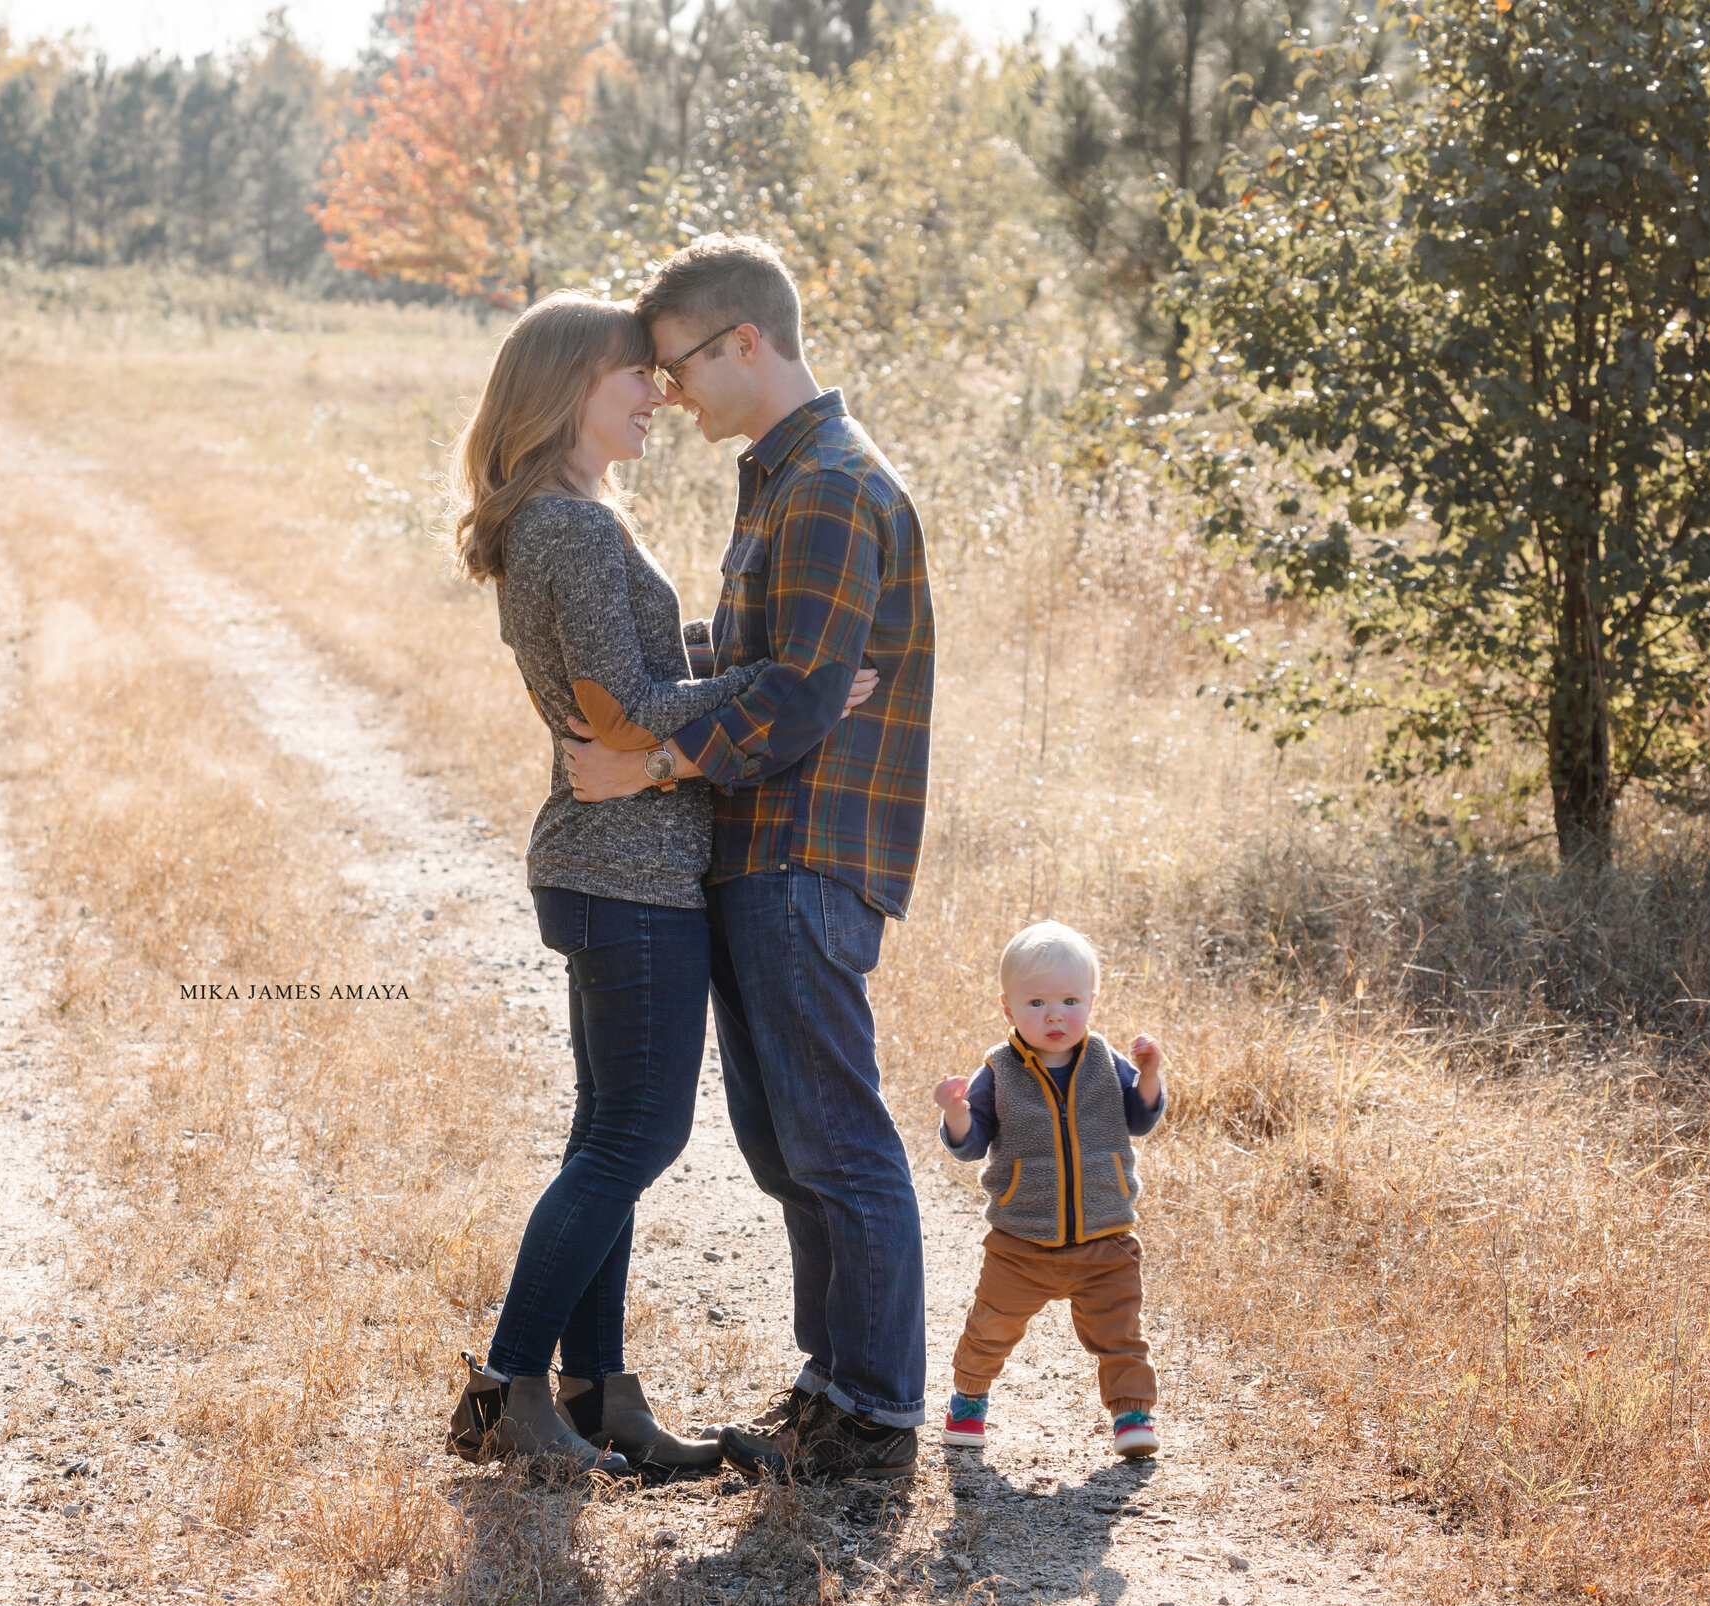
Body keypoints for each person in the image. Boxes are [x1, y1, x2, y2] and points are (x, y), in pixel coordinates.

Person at [442, 290, 882, 1480]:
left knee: (611, 1130)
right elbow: (626, 712)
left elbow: (629, 682)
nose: (657, 392)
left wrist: (743, 675)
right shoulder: (571, 529)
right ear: (568, 389)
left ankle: (598, 1391)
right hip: (623, 873)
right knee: (639, 1132)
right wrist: (788, 688)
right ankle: (505, 1385)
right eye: (634, 375)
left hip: (624, 867)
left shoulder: (572, 513)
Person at [563, 234, 935, 1481]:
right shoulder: (779, 480)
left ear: (746, 345)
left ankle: (873, 1416)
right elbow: (768, 669)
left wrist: (652, 763)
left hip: (804, 853)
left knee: (834, 1139)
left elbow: (791, 692)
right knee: (786, 1146)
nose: (664, 393)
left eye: (674, 366)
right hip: (759, 848)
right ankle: (830, 1390)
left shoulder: (827, 482)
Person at [932, 921, 1168, 1458]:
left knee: (1121, 1330)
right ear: (1008, 1008)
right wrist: (956, 1113)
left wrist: (1150, 1075)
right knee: (991, 1326)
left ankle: (1132, 1414)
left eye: (1069, 1000)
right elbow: (971, 1145)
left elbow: (1139, 1118)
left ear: (1092, 1001)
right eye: (1036, 1002)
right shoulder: (999, 1070)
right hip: (1021, 1240)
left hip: (1105, 1235)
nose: (1055, 1014)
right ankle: (968, 1401)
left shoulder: (1107, 1061)